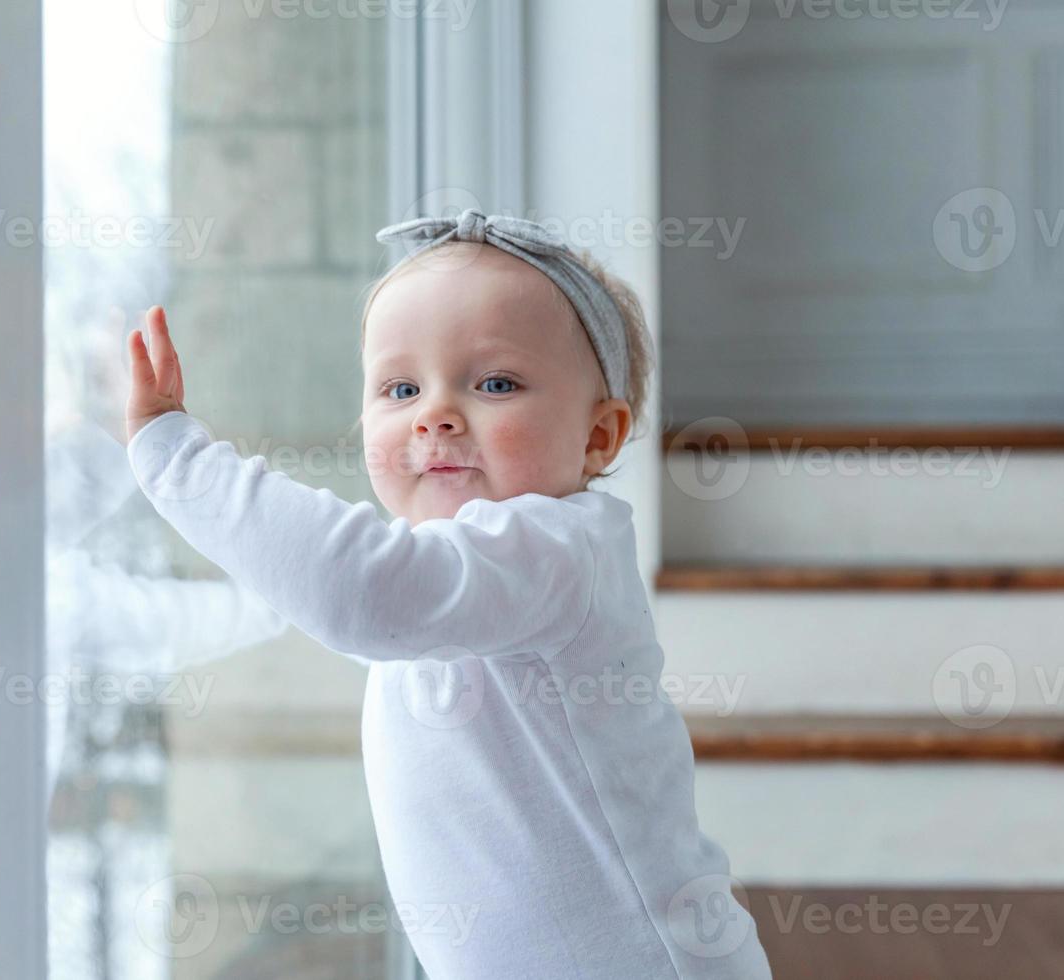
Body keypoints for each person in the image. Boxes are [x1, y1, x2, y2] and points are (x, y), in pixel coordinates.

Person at [123, 208, 771, 979]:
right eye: (400, 387)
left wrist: (177, 462)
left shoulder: (557, 548)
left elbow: (355, 591)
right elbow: (294, 584)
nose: (435, 414)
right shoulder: (454, 566)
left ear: (599, 437)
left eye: (495, 382)